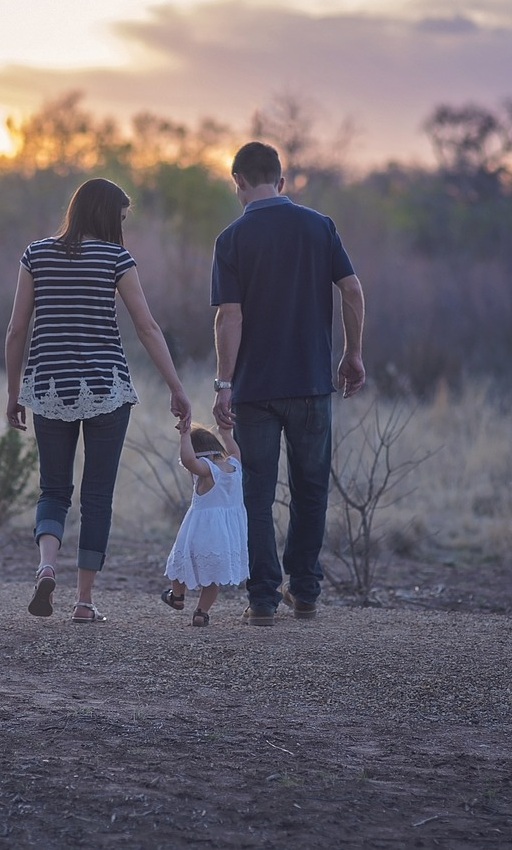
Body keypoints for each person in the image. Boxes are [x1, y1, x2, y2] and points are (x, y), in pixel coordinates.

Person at [5, 178, 191, 624]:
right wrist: (176, 387)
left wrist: (14, 393)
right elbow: (147, 327)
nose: (123, 226)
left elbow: (15, 330)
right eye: (121, 217)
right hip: (107, 388)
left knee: (53, 489)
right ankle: (84, 602)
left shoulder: (36, 254)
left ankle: (47, 564)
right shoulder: (116, 258)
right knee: (97, 497)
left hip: (49, 387)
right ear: (108, 215)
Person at [210, 141, 366, 627]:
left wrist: (223, 383)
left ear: (237, 182)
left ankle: (261, 599)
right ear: (281, 180)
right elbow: (352, 289)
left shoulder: (231, 239)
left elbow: (228, 318)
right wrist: (353, 352)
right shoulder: (319, 227)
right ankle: (305, 591)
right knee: (311, 488)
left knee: (256, 494)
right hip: (312, 383)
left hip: (255, 390)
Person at [161, 421, 249, 627]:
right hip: (226, 535)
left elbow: (189, 460)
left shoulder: (208, 470)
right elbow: (235, 451)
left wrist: (184, 436)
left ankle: (177, 596)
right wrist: (226, 434)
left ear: (201, 455)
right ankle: (201, 612)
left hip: (201, 531)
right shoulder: (235, 465)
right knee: (213, 576)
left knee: (180, 562)